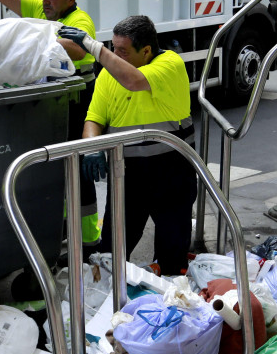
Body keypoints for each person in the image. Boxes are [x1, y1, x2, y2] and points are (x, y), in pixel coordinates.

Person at [59, 15, 196, 276]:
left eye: (122, 50)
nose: (114, 54)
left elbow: (134, 80)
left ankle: (170, 301)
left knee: (171, 253)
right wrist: (92, 146)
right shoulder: (109, 75)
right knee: (112, 251)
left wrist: (92, 46)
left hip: (172, 173)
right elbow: (94, 119)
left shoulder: (170, 63)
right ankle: (111, 303)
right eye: (112, 47)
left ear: (146, 51)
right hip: (128, 173)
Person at [0, 0, 101, 247]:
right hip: (54, 104)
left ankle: (88, 240)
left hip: (78, 104)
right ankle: (57, 232)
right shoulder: (40, 10)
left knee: (78, 171)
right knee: (54, 169)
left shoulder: (80, 20)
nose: (46, 0)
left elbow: (77, 49)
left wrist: (25, 40)